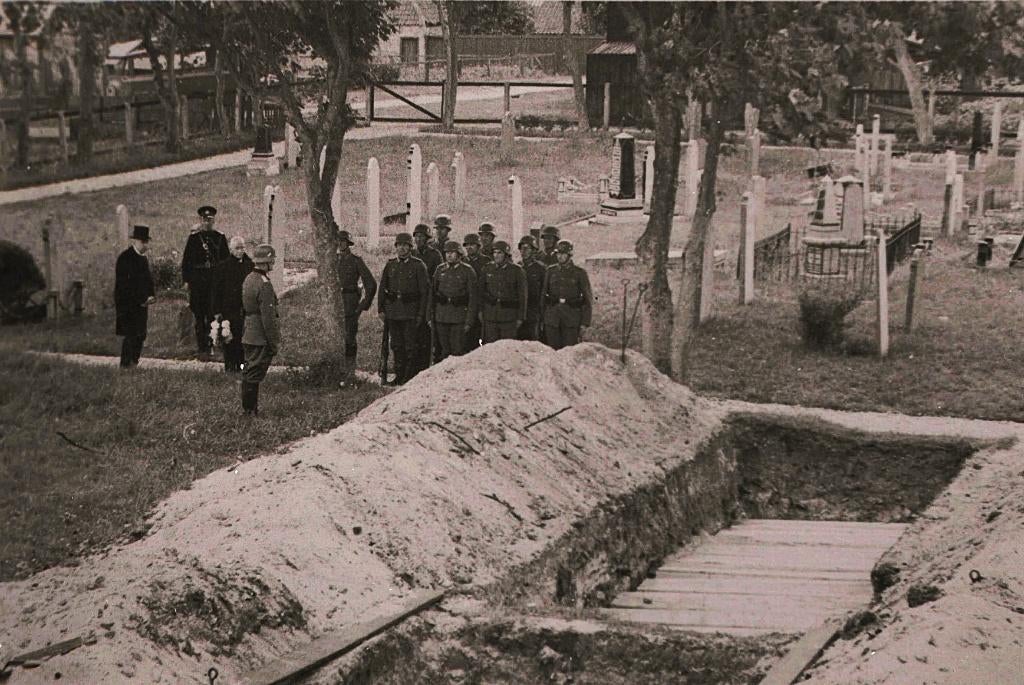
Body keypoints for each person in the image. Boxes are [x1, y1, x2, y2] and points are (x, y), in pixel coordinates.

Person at [378, 233, 430, 385]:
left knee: (410, 346)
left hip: (410, 312)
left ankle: (409, 377)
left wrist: (421, 314)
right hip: (393, 312)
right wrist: (380, 308)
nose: (401, 248)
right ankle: (399, 376)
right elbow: (383, 288)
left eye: (405, 245)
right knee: (396, 345)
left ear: (410, 247)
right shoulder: (391, 264)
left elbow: (424, 293)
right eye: (399, 245)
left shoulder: (418, 266)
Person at [181, 205, 229, 356]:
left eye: (209, 220)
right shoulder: (194, 239)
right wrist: (187, 280)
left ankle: (213, 343)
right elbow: (186, 261)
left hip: (214, 281)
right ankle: (202, 346)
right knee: (199, 314)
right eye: (203, 220)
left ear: (214, 220)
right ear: (200, 220)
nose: (206, 223)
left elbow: (225, 261)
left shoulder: (219, 238)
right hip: (198, 282)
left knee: (212, 313)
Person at [240, 244, 280, 417]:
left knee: (249, 370)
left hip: (248, 332)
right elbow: (268, 319)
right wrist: (274, 342)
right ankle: (250, 411)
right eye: (272, 260)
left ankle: (249, 409)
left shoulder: (249, 278)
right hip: (260, 336)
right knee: (254, 373)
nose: (273, 263)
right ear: (268, 261)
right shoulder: (265, 284)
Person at [334, 226, 377, 384]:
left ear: (348, 243)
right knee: (336, 338)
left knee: (349, 338)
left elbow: (371, 284)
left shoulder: (356, 261)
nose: (340, 244)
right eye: (338, 241)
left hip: (350, 302)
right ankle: (338, 371)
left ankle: (350, 373)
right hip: (335, 303)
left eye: (343, 242)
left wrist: (362, 306)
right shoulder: (332, 260)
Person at [114, 225, 156, 369]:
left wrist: (151, 295)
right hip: (128, 305)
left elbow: (148, 280)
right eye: (143, 242)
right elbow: (125, 285)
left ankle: (134, 362)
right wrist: (141, 299)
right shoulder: (125, 258)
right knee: (130, 334)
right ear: (136, 241)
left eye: (147, 242)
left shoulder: (143, 259)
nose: (146, 245)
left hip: (142, 304)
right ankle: (125, 365)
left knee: (140, 334)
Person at [211, 236, 254, 374]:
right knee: (229, 339)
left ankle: (242, 367)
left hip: (245, 309)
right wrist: (217, 311)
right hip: (229, 310)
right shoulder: (223, 267)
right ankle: (230, 368)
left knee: (244, 341)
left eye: (242, 247)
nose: (241, 251)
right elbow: (216, 291)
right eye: (237, 248)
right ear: (231, 249)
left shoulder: (250, 265)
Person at [430, 241, 478, 362]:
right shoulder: (440, 269)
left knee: (457, 351)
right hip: (441, 317)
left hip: (459, 318)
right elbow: (432, 295)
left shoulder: (467, 271)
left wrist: (469, 321)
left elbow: (473, 298)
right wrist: (429, 316)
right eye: (447, 253)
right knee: (443, 350)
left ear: (459, 254)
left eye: (452, 253)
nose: (449, 255)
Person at [541, 240, 593, 350]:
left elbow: (587, 300)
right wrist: (542, 318)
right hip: (552, 319)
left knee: (569, 353)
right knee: (552, 352)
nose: (560, 257)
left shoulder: (579, 273)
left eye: (563, 254)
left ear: (569, 255)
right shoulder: (550, 271)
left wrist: (584, 323)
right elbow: (543, 295)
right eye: (558, 254)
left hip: (571, 319)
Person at [479, 240, 527, 343]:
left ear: (506, 255)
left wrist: (520, 317)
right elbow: (481, 292)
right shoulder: (487, 269)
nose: (496, 255)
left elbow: (522, 296)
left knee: (507, 349)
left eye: (499, 252)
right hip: (490, 316)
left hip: (509, 317)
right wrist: (481, 311)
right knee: (490, 348)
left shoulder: (517, 271)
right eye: (494, 252)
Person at [412, 223, 442, 372]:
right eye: (416, 236)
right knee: (414, 335)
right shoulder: (412, 253)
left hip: (429, 297)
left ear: (427, 238)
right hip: (414, 298)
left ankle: (425, 368)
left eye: (421, 237)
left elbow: (439, 277)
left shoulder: (435, 255)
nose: (418, 239)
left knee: (426, 335)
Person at [462, 234, 491, 353]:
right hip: (465, 305)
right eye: (467, 245)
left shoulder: (486, 261)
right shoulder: (462, 260)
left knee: (480, 338)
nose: (469, 248)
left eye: (472, 245)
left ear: (478, 246)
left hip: (481, 303)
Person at [517, 235, 547, 341]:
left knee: (533, 340)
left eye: (527, 248)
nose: (523, 251)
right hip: (519, 310)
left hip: (534, 310)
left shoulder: (541, 268)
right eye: (522, 248)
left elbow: (544, 291)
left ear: (533, 251)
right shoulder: (517, 267)